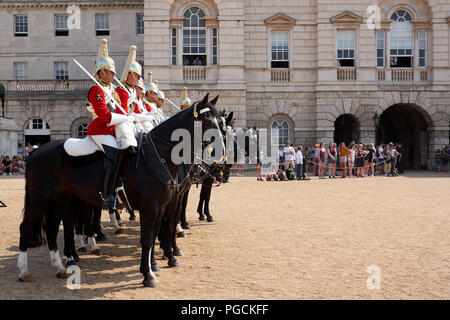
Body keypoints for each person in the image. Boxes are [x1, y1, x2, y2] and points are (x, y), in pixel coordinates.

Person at [85, 39, 137, 210]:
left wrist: (129, 117)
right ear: (101, 72)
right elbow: (104, 116)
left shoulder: (112, 91)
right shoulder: (96, 90)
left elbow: (121, 110)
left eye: (114, 72)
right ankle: (106, 196)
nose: (114, 75)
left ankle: (117, 189)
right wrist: (124, 118)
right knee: (114, 155)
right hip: (99, 129)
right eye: (110, 72)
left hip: (110, 131)